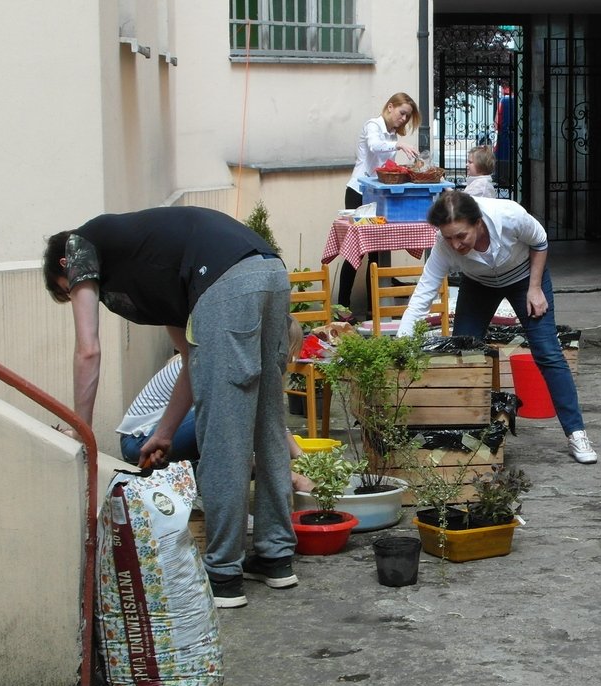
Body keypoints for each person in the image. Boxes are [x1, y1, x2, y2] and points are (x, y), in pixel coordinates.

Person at [43, 206, 296, 608]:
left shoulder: (78, 244)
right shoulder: (153, 265)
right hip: (270, 272)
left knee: (224, 433)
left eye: (68, 288)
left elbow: (88, 351)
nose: (77, 294)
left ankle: (224, 574)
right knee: (267, 422)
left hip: (227, 282)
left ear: (66, 265)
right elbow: (190, 359)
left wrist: (82, 428)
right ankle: (275, 555)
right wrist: (163, 432)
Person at [397, 190, 597, 464]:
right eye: (448, 237)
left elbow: (540, 241)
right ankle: (463, 431)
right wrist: (400, 343)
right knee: (462, 352)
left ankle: (576, 432)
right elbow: (423, 296)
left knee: (547, 351)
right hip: (479, 285)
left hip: (525, 277)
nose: (455, 245)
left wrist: (535, 288)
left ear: (477, 222)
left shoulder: (509, 215)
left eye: (461, 236)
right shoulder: (444, 246)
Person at [117, 322, 315, 495]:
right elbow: (229, 432)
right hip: (140, 443)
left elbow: (272, 419)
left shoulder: (238, 362)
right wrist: (291, 477)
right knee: (236, 421)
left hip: (163, 438)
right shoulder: (225, 367)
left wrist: (303, 459)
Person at [338, 92, 422, 311]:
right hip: (358, 192)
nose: (403, 119)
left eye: (407, 117)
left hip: (377, 194)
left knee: (377, 251)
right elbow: (375, 146)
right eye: (402, 113)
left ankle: (373, 308)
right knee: (355, 250)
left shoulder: (393, 135)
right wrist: (399, 146)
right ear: (391, 107)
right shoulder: (372, 126)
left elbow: (384, 169)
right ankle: (342, 307)